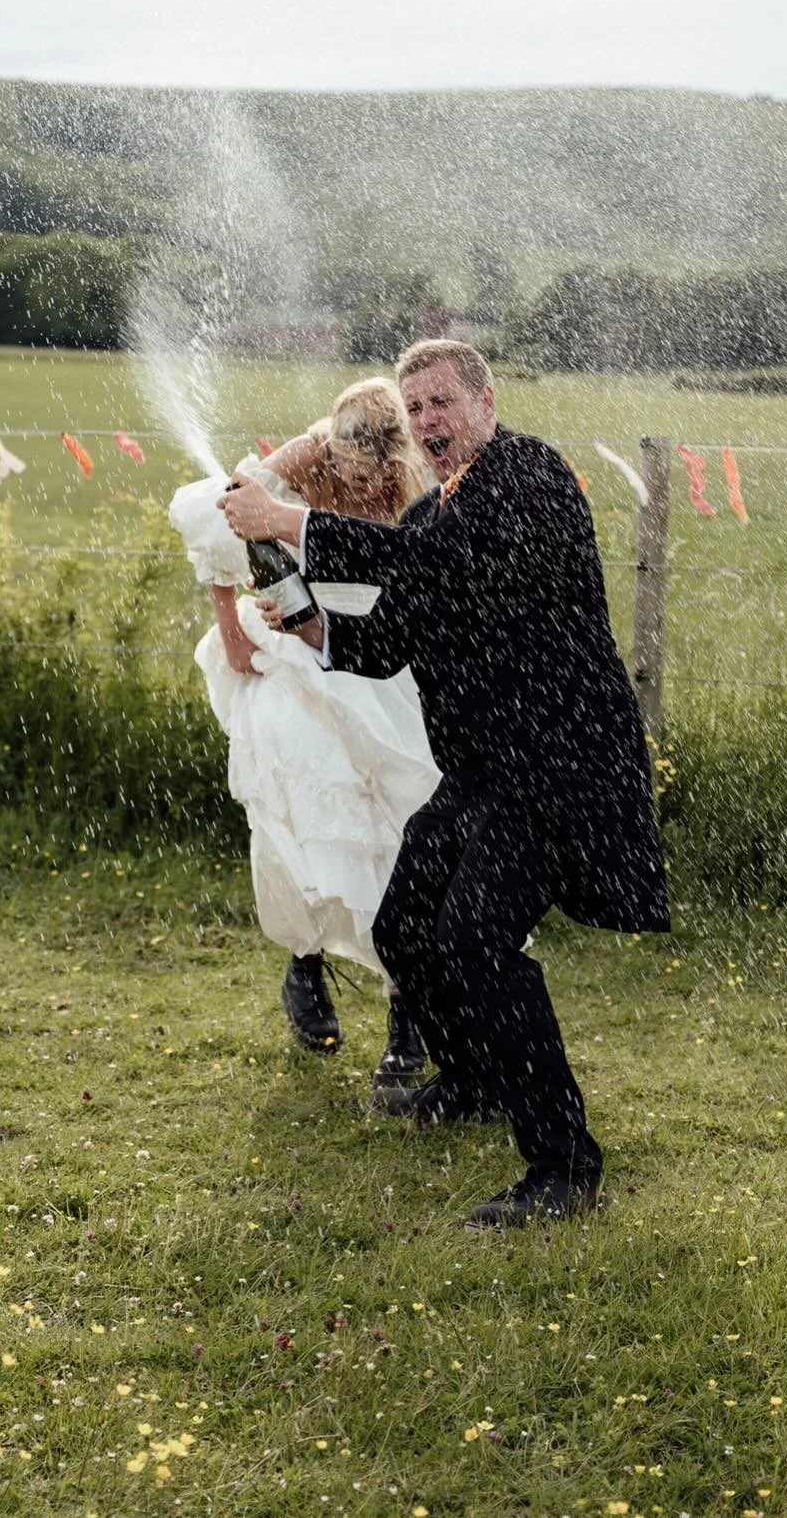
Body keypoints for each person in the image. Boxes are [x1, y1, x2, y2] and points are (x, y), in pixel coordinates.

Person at [221, 339, 668, 1227]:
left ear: (483, 402)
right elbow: (385, 638)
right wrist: (304, 619)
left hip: (557, 766)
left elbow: (440, 564)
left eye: (439, 403)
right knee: (405, 925)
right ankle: (470, 1080)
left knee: (474, 942)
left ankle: (563, 1166)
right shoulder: (432, 520)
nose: (426, 422)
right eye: (413, 408)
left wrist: (286, 522)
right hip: (480, 773)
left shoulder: (526, 474)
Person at [170, 377, 439, 1084]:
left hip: (380, 650)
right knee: (299, 812)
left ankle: (404, 1011)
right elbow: (213, 507)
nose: (367, 482)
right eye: (355, 468)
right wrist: (230, 625)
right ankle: (305, 966)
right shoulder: (306, 454)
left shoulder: (418, 477)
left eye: (380, 469)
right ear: (334, 445)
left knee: (398, 823)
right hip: (293, 644)